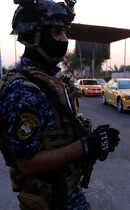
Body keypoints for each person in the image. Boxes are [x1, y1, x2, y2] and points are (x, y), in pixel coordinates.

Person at [0, 0, 120, 209]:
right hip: (50, 201)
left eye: (65, 31)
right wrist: (85, 146)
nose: (64, 39)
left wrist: (91, 140)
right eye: (56, 32)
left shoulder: (51, 80)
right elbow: (27, 163)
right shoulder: (24, 90)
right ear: (33, 37)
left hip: (67, 193)